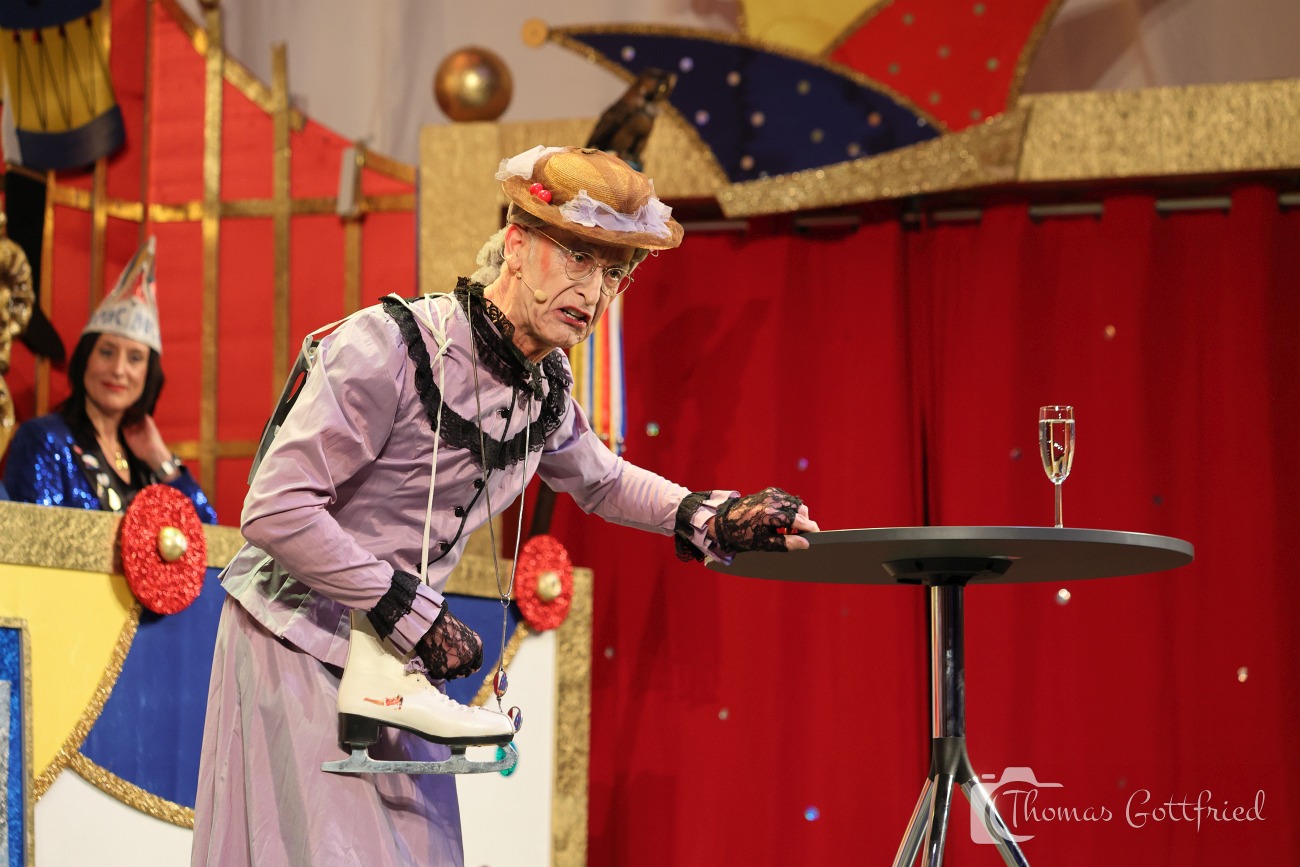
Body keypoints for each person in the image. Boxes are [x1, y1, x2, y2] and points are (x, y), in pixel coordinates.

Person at [191, 146, 818, 866]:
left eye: (614, 272)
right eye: (578, 258)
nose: (595, 290)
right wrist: (407, 607)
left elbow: (602, 479)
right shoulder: (391, 346)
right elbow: (275, 508)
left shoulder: (542, 387)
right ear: (516, 246)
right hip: (296, 637)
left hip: (400, 660)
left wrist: (708, 515)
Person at [3, 237, 217, 524]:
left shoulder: (146, 461)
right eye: (106, 352)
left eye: (135, 358)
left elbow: (205, 533)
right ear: (85, 359)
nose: (118, 370)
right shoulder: (43, 439)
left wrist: (161, 460)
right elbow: (32, 537)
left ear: (148, 374)